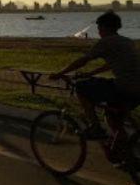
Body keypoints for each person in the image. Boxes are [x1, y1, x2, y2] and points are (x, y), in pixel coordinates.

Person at [50, 11, 140, 139]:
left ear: (104, 28)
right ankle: (125, 151)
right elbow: (112, 64)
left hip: (124, 87)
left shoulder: (106, 41)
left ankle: (95, 127)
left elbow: (84, 60)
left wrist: (60, 73)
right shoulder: (127, 42)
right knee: (113, 118)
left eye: (99, 28)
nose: (98, 32)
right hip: (136, 88)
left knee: (81, 87)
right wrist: (91, 73)